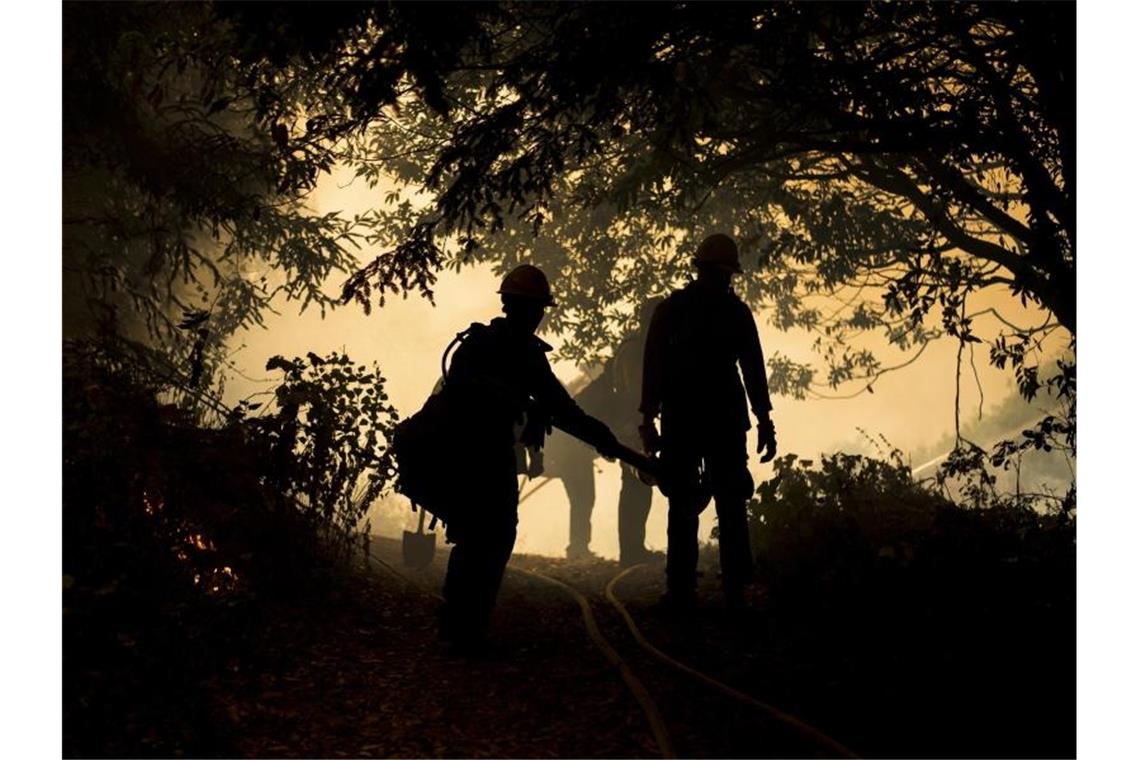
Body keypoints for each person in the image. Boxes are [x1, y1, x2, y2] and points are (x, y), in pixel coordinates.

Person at [439, 264, 620, 651]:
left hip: (488, 453)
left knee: (484, 538)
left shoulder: (518, 353)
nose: (536, 317)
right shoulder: (486, 347)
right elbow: (465, 391)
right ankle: (461, 629)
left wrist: (601, 436)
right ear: (524, 308)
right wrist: (522, 403)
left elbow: (559, 408)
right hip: (472, 452)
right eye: (535, 308)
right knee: (485, 537)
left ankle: (462, 629)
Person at [639, 233, 777, 610]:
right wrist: (648, 418)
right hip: (707, 418)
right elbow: (653, 367)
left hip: (697, 418)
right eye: (722, 274)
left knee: (717, 502)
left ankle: (706, 588)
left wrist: (765, 419)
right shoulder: (718, 312)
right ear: (711, 271)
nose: (724, 281)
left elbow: (752, 369)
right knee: (701, 502)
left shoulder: (680, 310)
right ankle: (700, 588)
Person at [610, 296, 665, 566]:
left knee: (640, 486)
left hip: (636, 424)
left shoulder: (641, 347)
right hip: (633, 426)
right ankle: (631, 552)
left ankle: (633, 549)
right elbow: (636, 393)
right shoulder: (636, 351)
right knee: (635, 485)